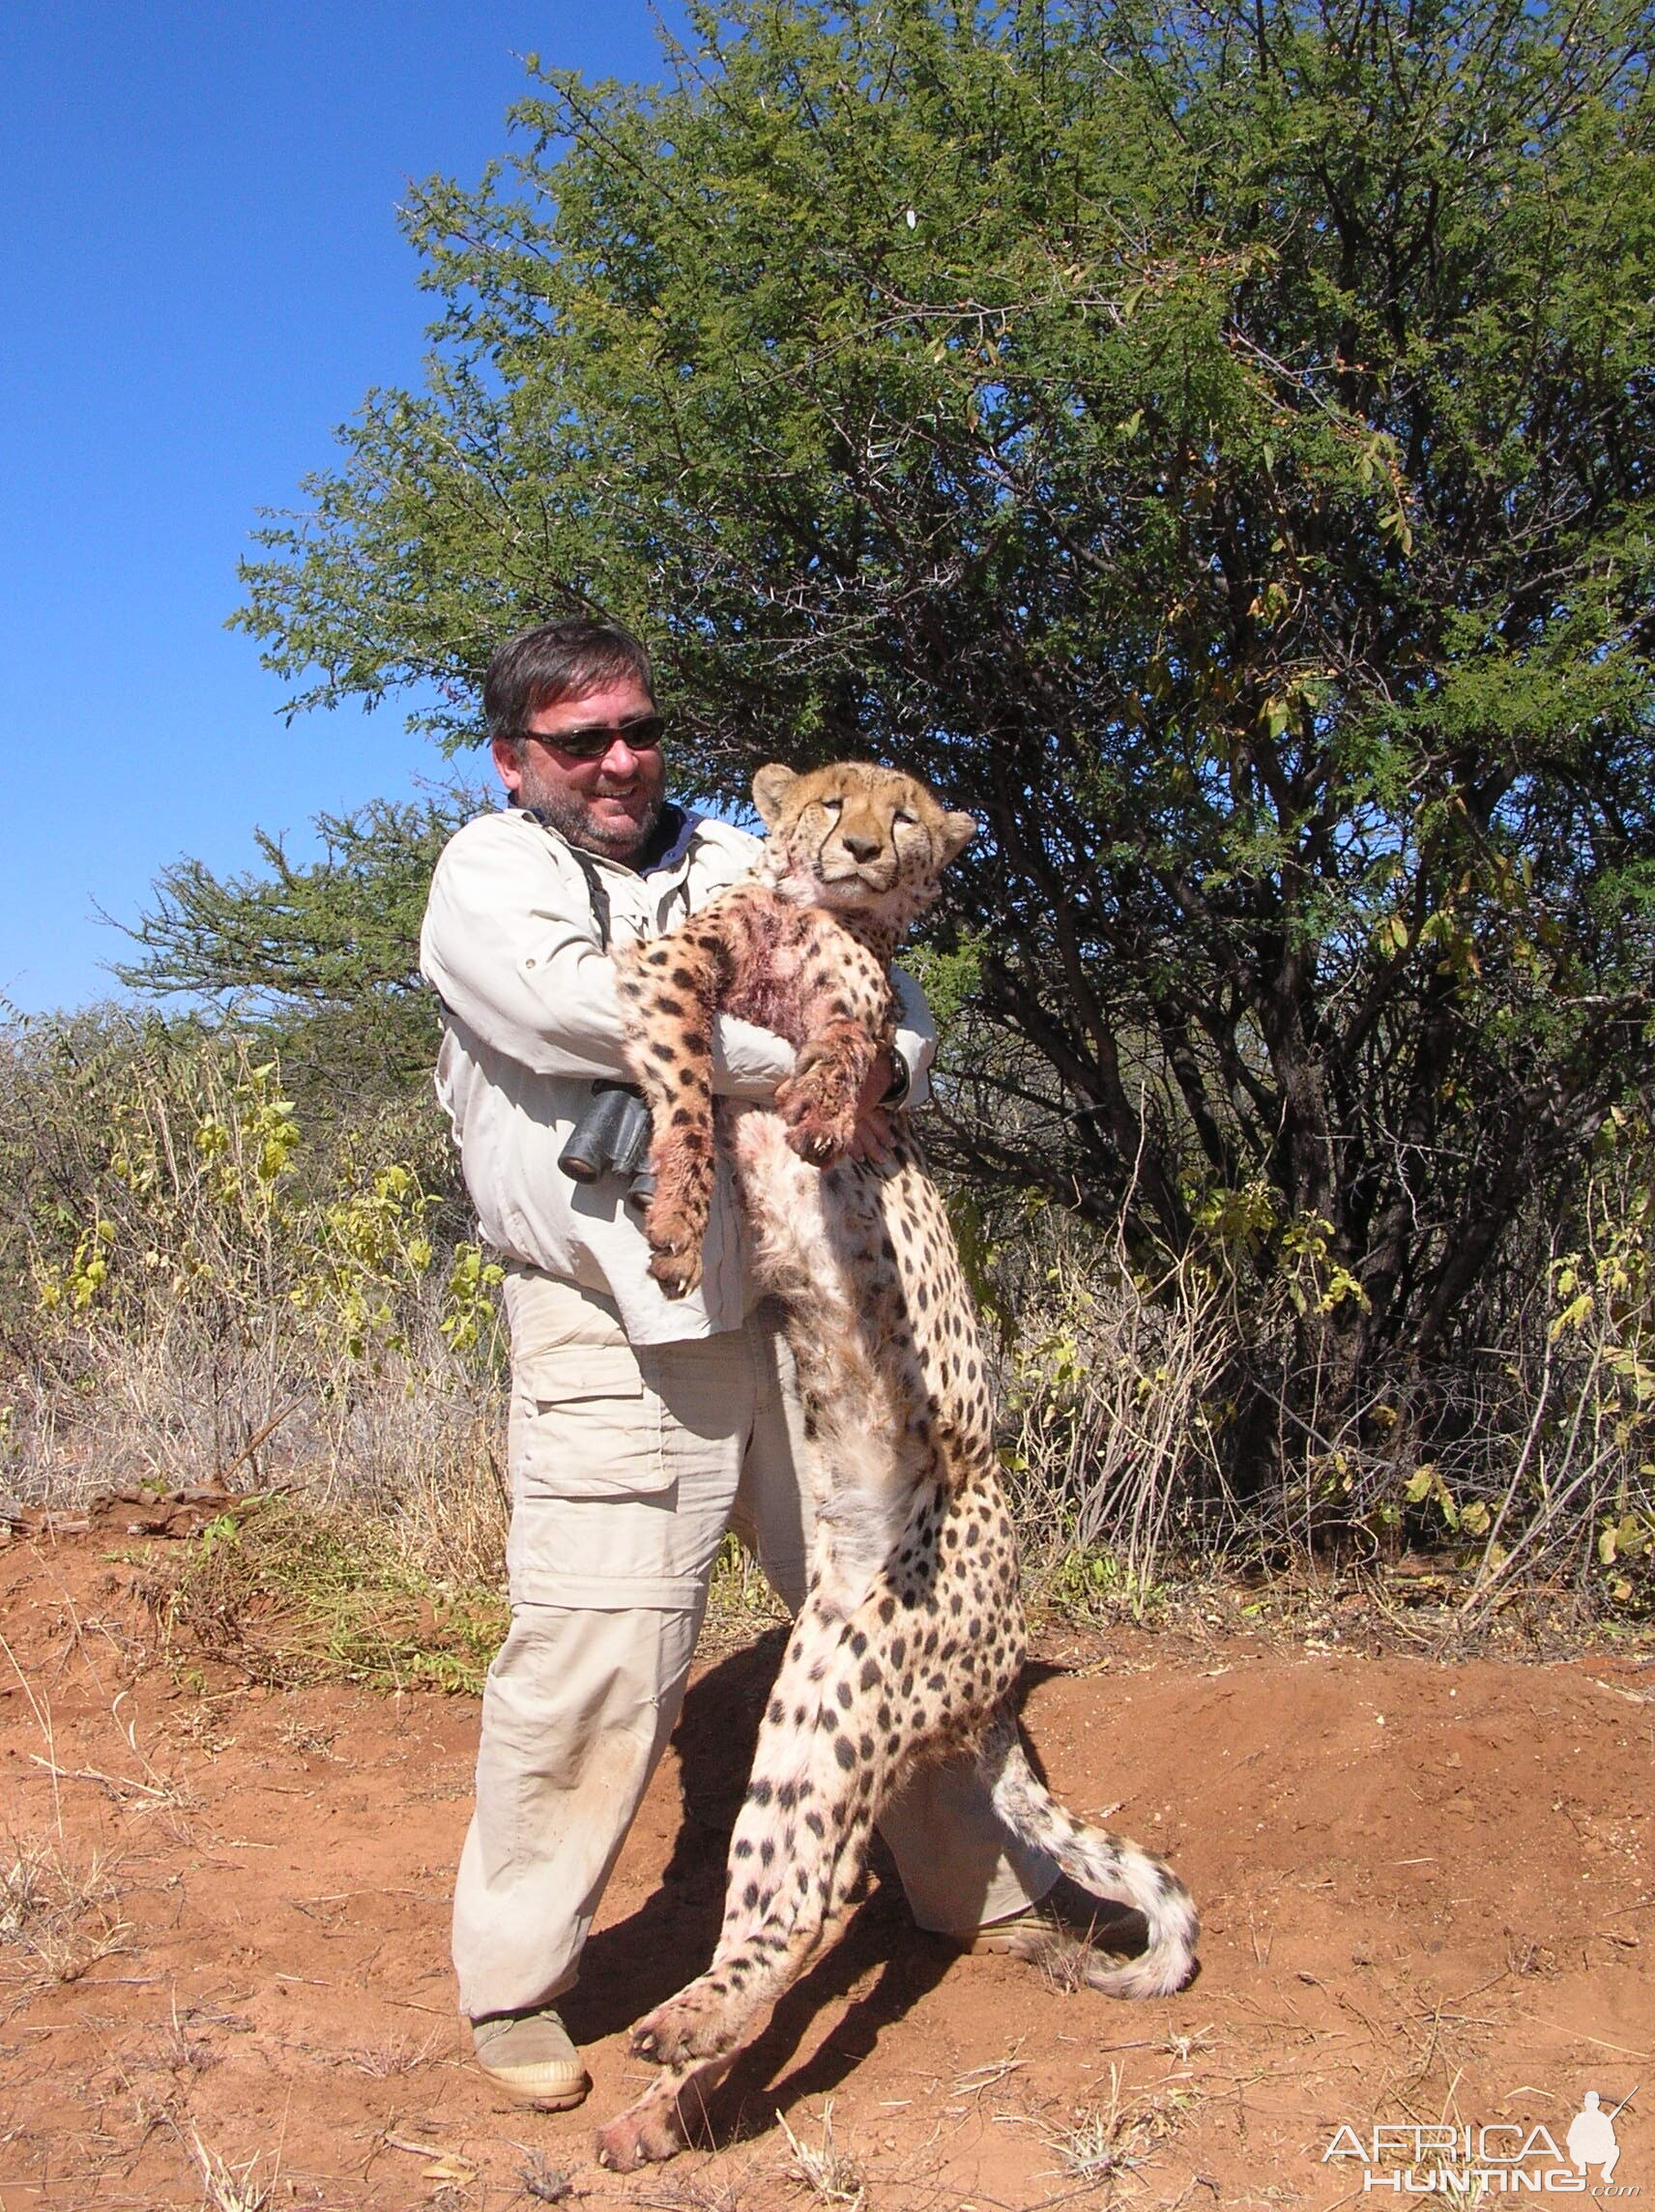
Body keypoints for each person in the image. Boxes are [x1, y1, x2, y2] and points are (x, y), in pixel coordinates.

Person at [420, 615, 1100, 2111]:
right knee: (598, 1659)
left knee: (898, 1599)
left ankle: (976, 1888)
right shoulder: (494, 872)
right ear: (515, 758)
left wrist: (860, 1044)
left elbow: (903, 1017)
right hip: (614, 1314)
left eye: (637, 729)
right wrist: (803, 1055)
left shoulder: (748, 837)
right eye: (579, 739)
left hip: (804, 1304)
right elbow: (574, 1007)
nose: (617, 760)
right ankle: (519, 1986)